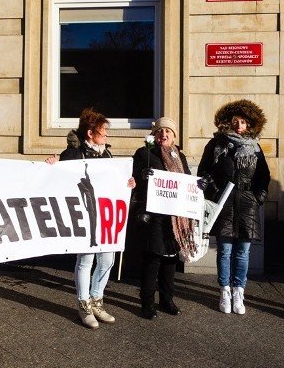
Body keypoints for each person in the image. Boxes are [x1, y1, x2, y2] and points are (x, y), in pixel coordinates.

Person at [46, 108, 135, 329]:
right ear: (89, 133)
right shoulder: (74, 154)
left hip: (105, 216)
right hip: (85, 217)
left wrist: (128, 184)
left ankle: (97, 300)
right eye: (103, 131)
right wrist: (50, 167)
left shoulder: (106, 155)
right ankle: (83, 304)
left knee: (107, 260)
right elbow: (58, 180)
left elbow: (113, 183)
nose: (106, 135)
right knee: (86, 260)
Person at [197, 100, 270, 316]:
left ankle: (239, 291)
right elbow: (203, 172)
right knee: (225, 250)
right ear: (228, 123)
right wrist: (213, 190)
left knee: (243, 252)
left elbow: (263, 176)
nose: (239, 125)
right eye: (235, 121)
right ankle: (224, 290)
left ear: (249, 125)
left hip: (247, 202)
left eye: (243, 122)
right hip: (224, 202)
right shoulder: (216, 145)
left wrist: (259, 197)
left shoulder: (255, 147)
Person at [129, 117, 192, 319]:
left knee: (171, 259)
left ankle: (167, 299)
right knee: (153, 258)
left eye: (168, 132)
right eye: (160, 131)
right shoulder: (144, 153)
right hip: (154, 214)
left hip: (174, 217)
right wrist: (141, 175)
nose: (163, 135)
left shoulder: (178, 156)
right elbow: (131, 178)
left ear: (174, 136)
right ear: (154, 135)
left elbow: (188, 179)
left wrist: (201, 185)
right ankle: (146, 302)